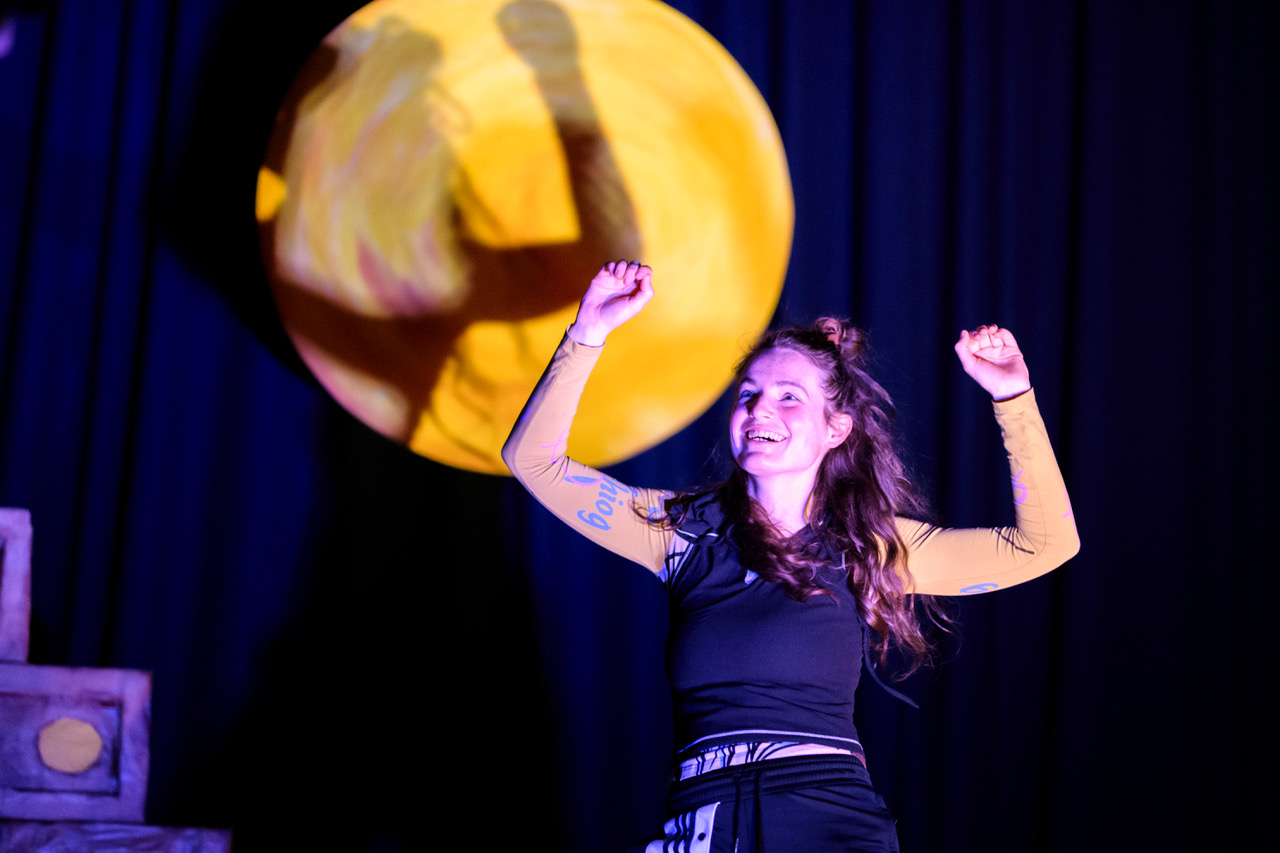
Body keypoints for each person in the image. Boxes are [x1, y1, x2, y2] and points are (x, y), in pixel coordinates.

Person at [503, 261, 1079, 852]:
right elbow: (533, 462)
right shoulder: (679, 533)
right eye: (748, 395)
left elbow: (1046, 545)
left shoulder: (871, 547)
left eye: (789, 397)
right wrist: (588, 332)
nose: (760, 410)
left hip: (823, 818)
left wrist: (1013, 398)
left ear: (836, 430)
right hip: (702, 821)